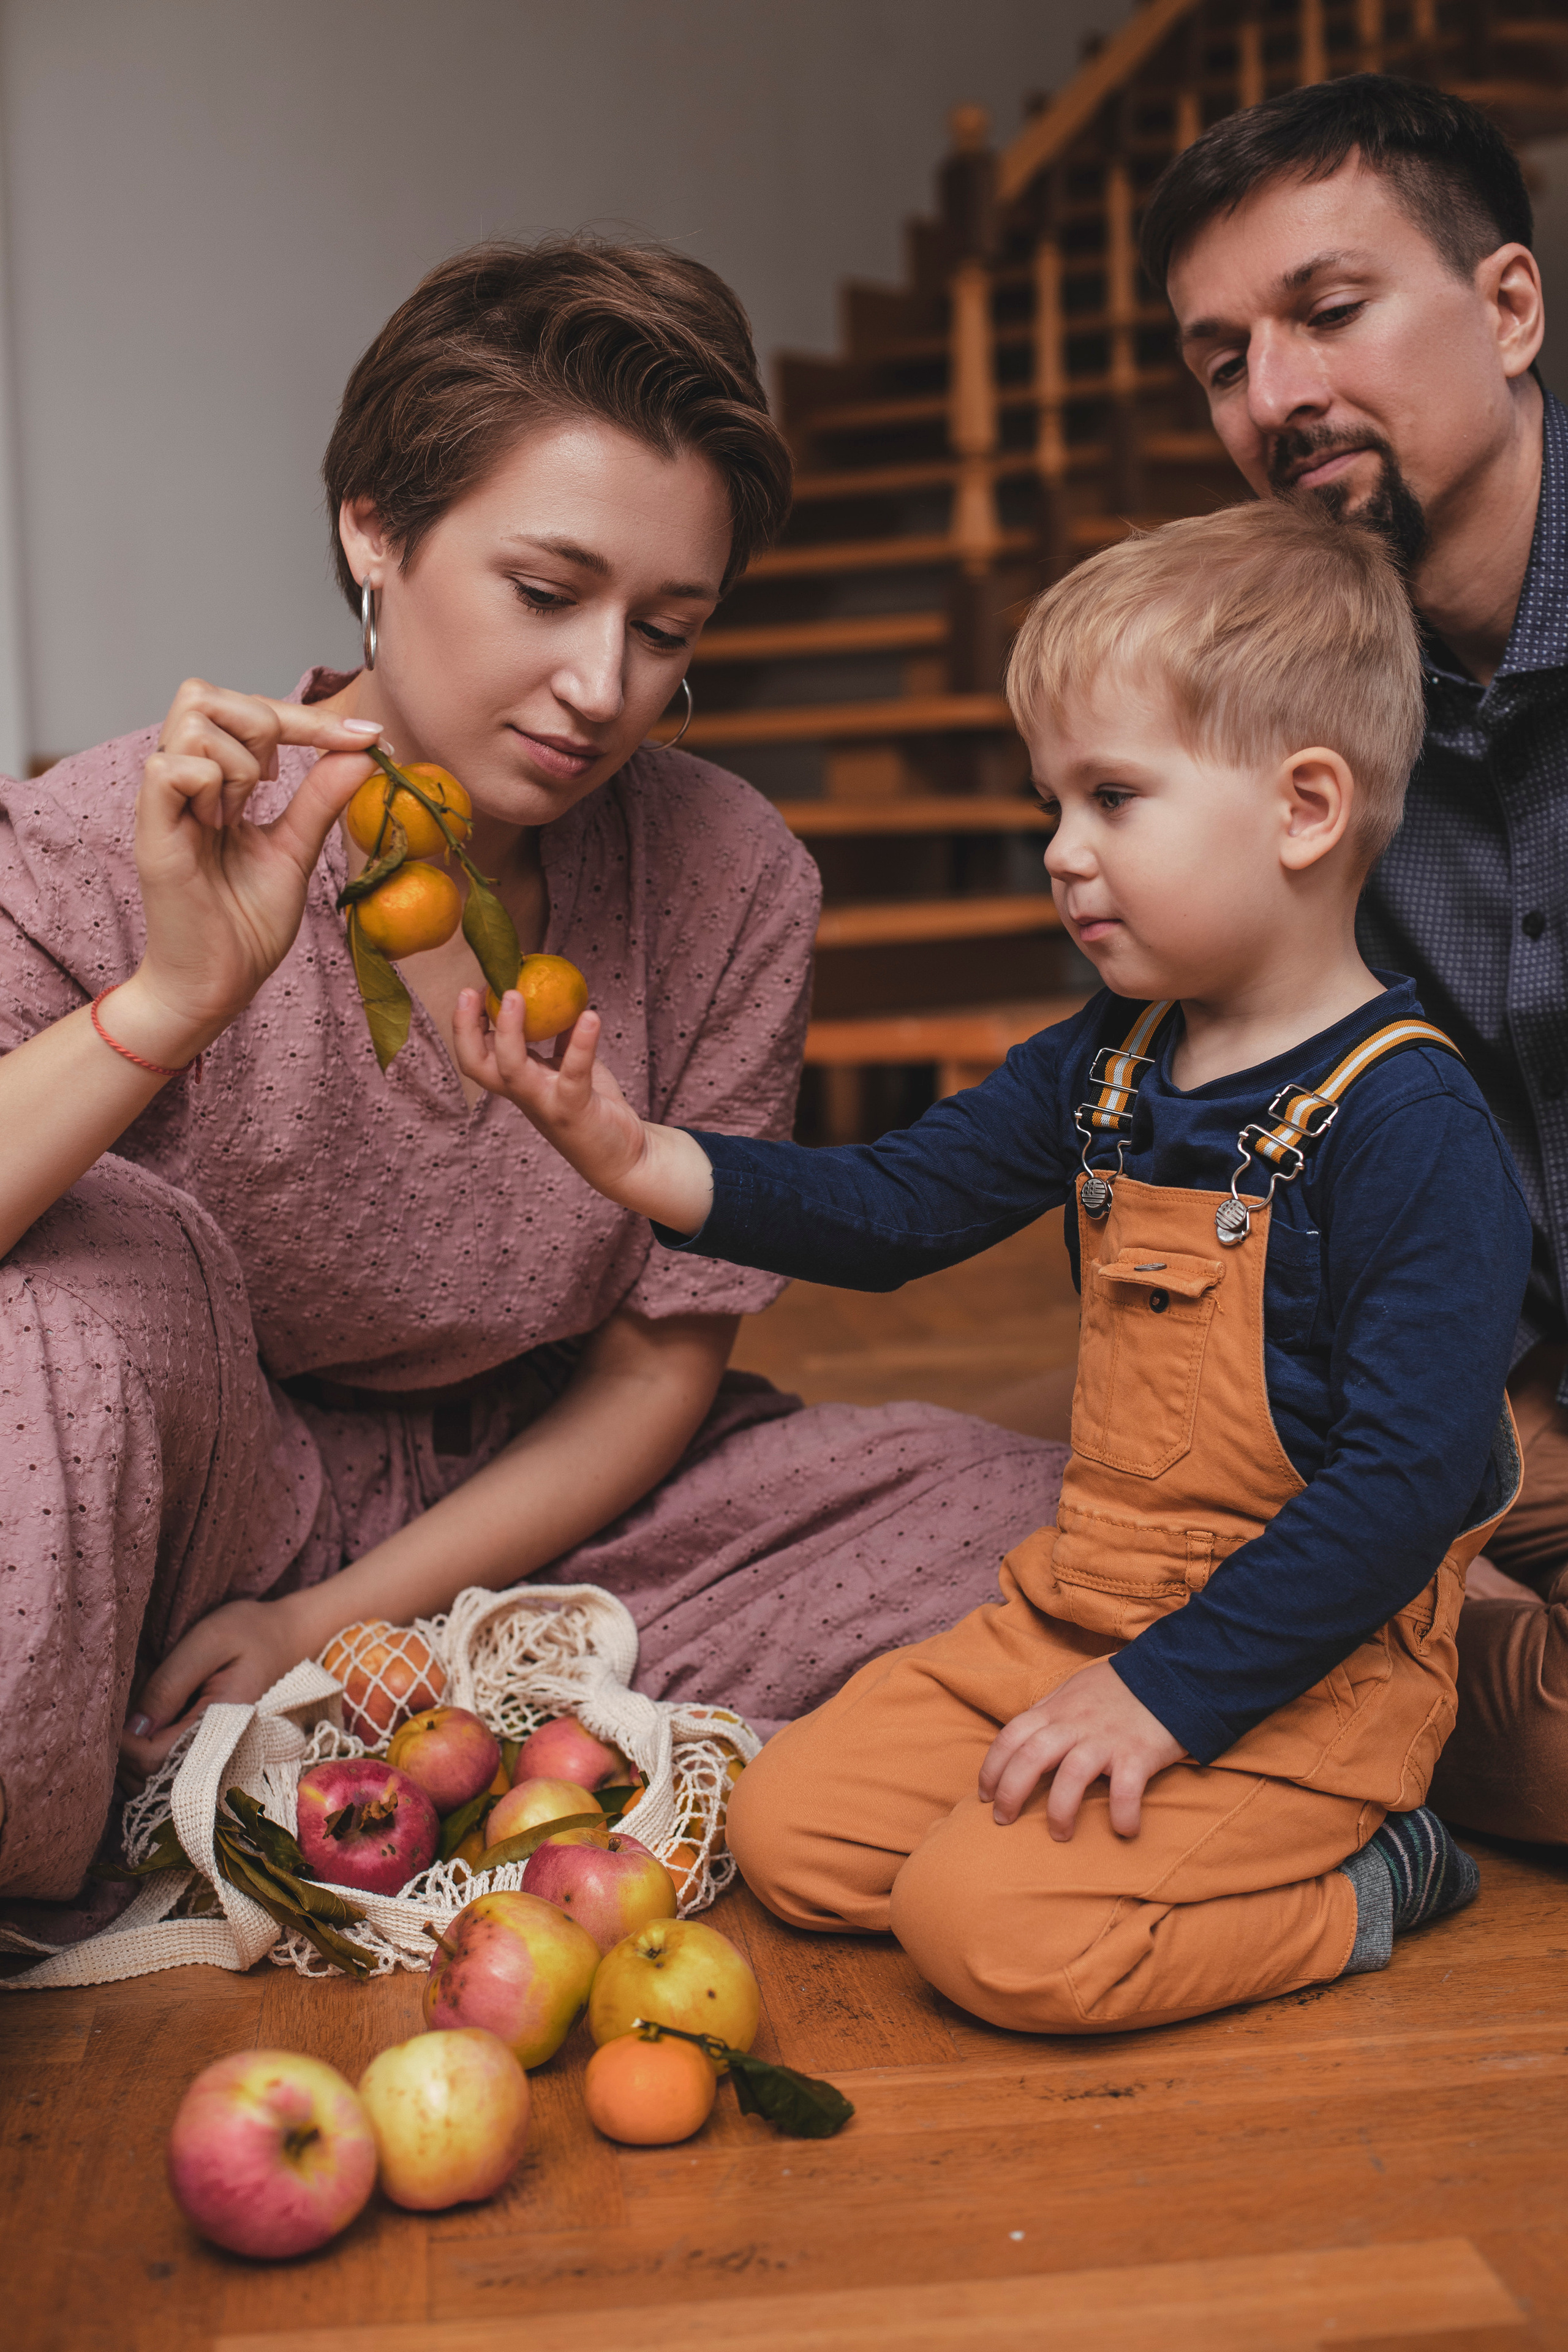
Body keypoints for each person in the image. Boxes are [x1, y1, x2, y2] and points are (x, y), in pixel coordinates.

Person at [0, 240, 1066, 1928]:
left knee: (1043, 1520)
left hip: (564, 1517)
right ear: (375, 527)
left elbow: (657, 1377)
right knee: (59, 1299)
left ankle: (360, 1724)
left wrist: (329, 1630)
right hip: (198, 1498)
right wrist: (174, 997)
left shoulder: (731, 877)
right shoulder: (109, 831)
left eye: (668, 628)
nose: (601, 689)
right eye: (548, 592)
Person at [457, 497, 1530, 2035]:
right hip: (1075, 1609)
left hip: (1305, 1671)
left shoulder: (1407, 1125)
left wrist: (1163, 1697)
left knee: (993, 1935)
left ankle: (1380, 1873)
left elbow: (1406, 1484)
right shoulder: (1115, 1056)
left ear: (1302, 810)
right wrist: (639, 1160)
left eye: (1110, 798)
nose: (1059, 853)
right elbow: (895, 1210)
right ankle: (1091, 1824)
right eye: (1050, 805)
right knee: (791, 1837)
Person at [1137, 74, 1568, 1844]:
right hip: (1499, 1412)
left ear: (1513, 307)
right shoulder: (1285, 712)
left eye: (1330, 312)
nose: (1278, 398)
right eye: (1224, 357)